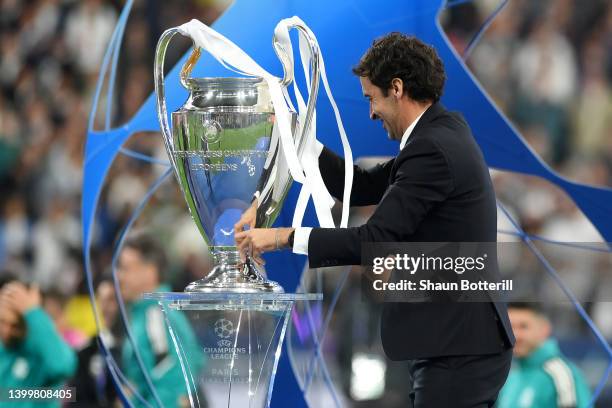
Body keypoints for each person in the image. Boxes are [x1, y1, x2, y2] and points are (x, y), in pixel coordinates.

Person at [235, 32, 515, 407]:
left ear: (396, 88)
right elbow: (362, 187)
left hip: (458, 348)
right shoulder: (443, 132)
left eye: (372, 98)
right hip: (458, 343)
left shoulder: (432, 148)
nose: (370, 112)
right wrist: (299, 139)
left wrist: (283, 236)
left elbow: (375, 240)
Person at [117, 235, 204, 408]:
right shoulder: (150, 313)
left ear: (150, 271)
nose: (118, 276)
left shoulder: (156, 315)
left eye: (125, 268)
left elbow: (173, 388)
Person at [0, 278, 77, 408]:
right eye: (2, 321)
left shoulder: (43, 354)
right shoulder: (3, 351)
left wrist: (32, 312)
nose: (6, 331)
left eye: (14, 326)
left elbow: (63, 366)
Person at [498, 302, 591, 408]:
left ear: (544, 329)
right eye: (510, 327)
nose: (516, 335)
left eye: (523, 327)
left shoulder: (561, 375)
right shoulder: (510, 374)